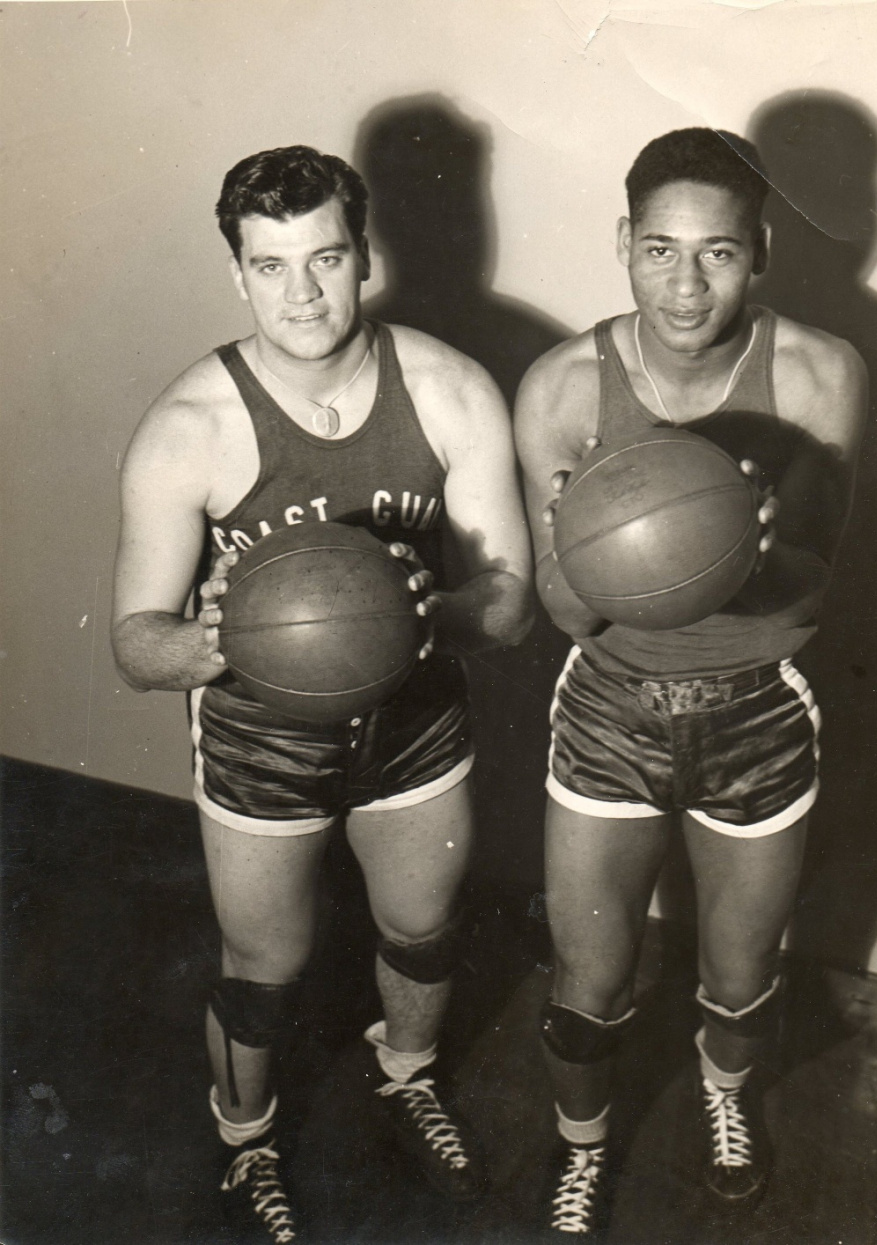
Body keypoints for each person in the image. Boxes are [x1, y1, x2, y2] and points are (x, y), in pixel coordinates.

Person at [111, 145, 533, 1242]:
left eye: (326, 259)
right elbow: (134, 645)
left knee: (424, 925)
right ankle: (244, 1137)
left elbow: (512, 606)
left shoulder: (448, 391)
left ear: (366, 257)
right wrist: (222, 639)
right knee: (265, 966)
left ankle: (409, 1073)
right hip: (261, 736)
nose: (301, 294)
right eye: (270, 265)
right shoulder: (188, 429)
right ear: (237, 275)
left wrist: (413, 613)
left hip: (414, 721)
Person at [514, 128, 867, 1236]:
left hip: (757, 707)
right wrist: (589, 540)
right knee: (589, 974)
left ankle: (725, 1104)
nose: (684, 283)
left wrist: (743, 548)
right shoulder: (563, 387)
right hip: (609, 708)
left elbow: (815, 589)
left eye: (716, 253)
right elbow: (564, 615)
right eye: (658, 249)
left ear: (758, 253)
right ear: (622, 244)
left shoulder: (817, 374)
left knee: (739, 968)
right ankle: (580, 1151)